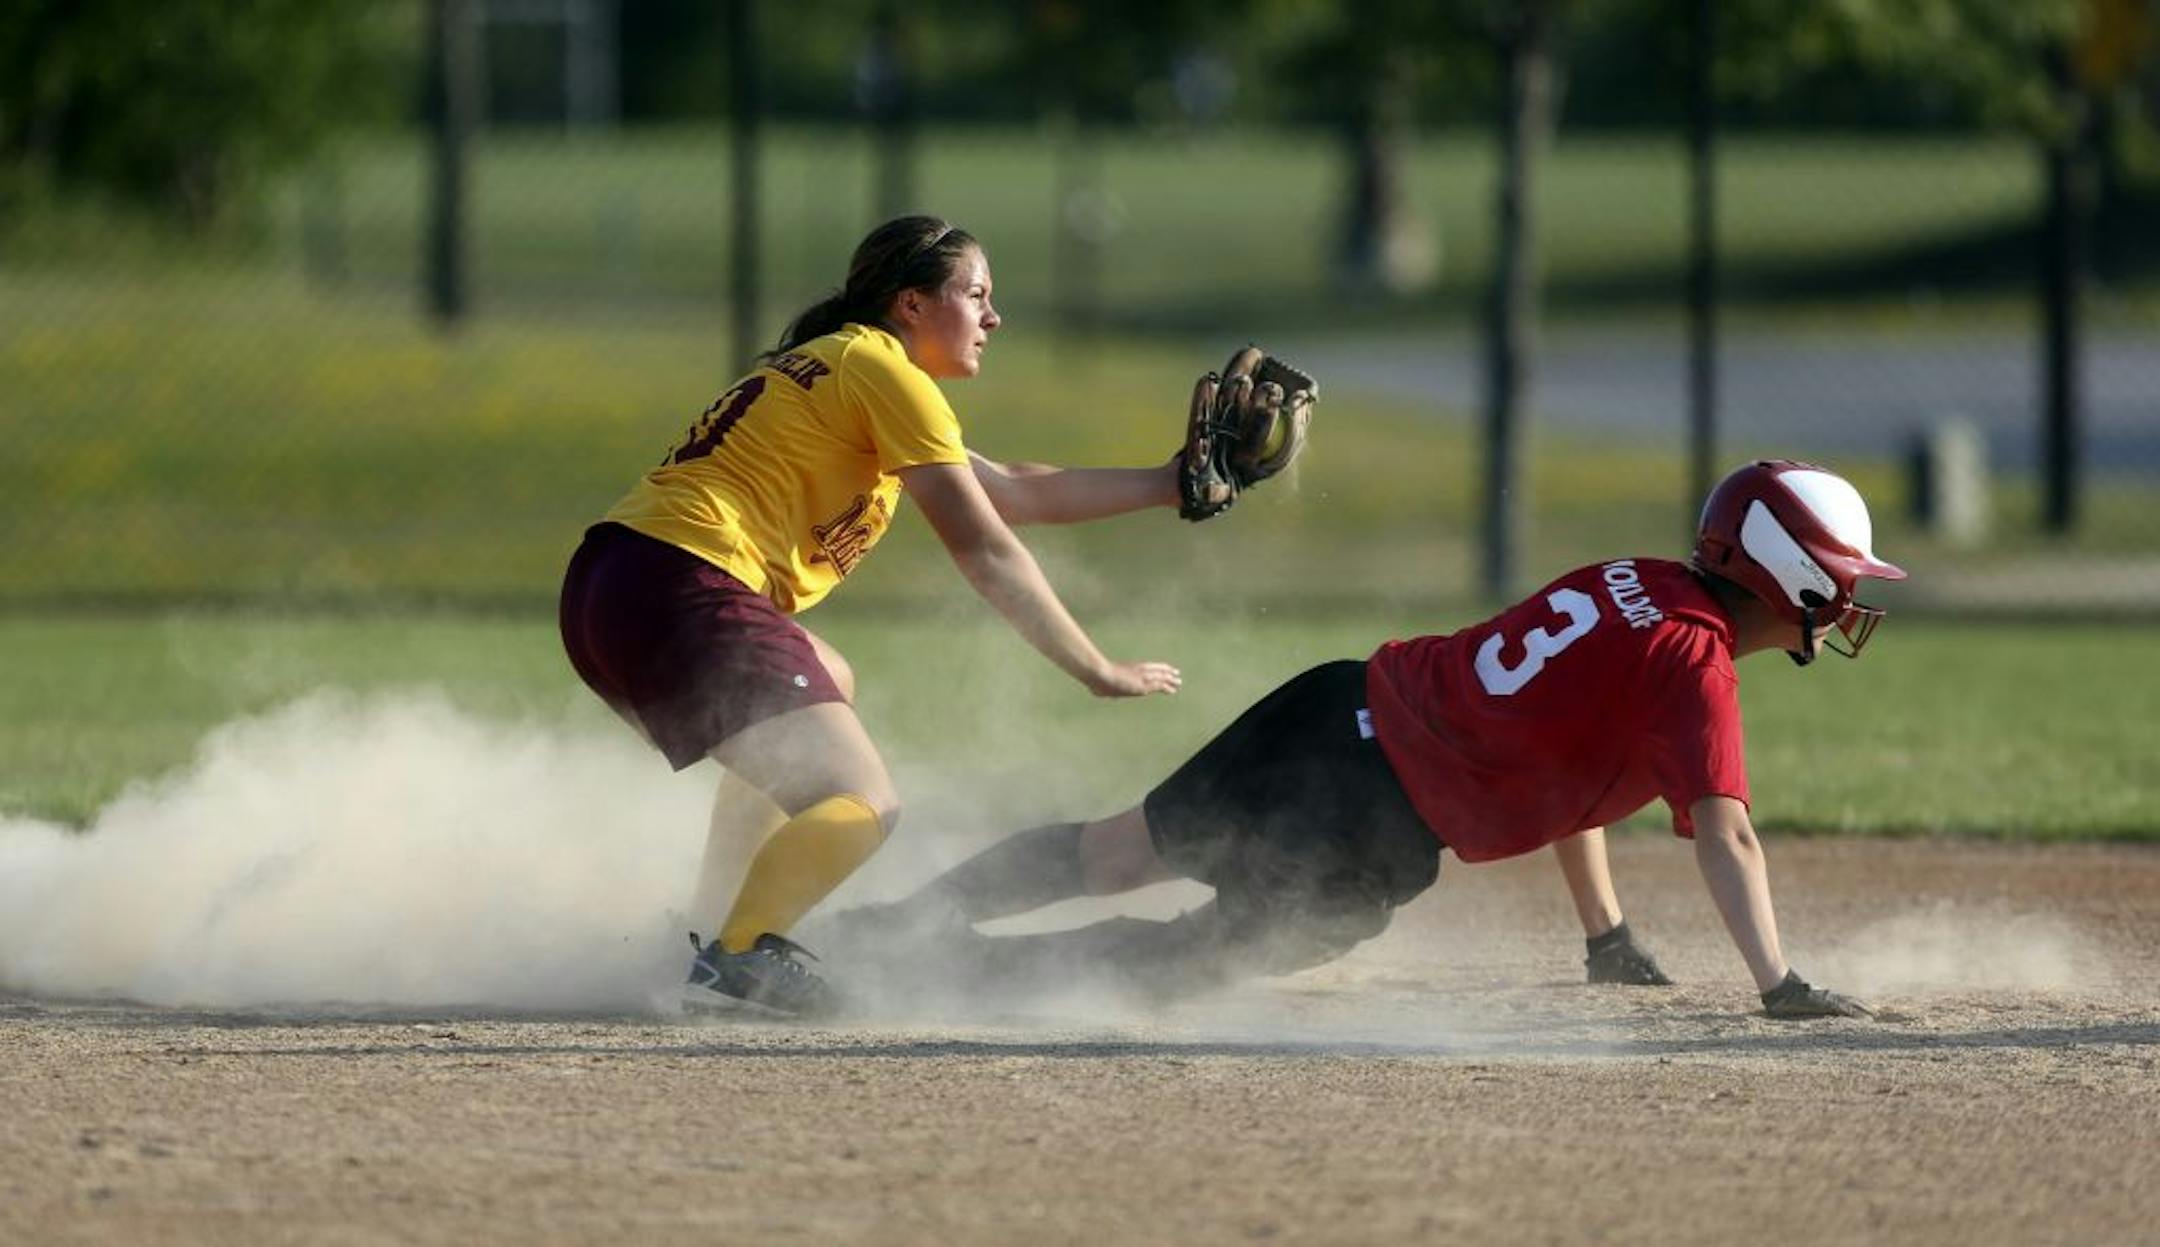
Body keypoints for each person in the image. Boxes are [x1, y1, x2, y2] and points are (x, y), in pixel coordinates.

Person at [837, 459, 1901, 1019]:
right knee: (1202, 953)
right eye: (1841, 579)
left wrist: (1606, 936)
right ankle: (945, 979)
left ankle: (889, 938)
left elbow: (1563, 770)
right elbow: (1729, 837)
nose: (1849, 599)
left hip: (1333, 706)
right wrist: (1779, 984)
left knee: (1118, 853)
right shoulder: (1694, 664)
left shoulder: (1643, 589)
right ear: (1788, 575)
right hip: (1372, 812)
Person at [559, 215, 1191, 1017]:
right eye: (975, 295)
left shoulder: (852, 370)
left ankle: (712, 931)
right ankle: (740, 953)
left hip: (611, 585)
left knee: (828, 683)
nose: (992, 318)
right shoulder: (880, 368)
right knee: (866, 800)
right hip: (679, 581)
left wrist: (1168, 483)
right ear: (912, 305)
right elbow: (985, 547)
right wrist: (1094, 667)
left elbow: (1015, 491)